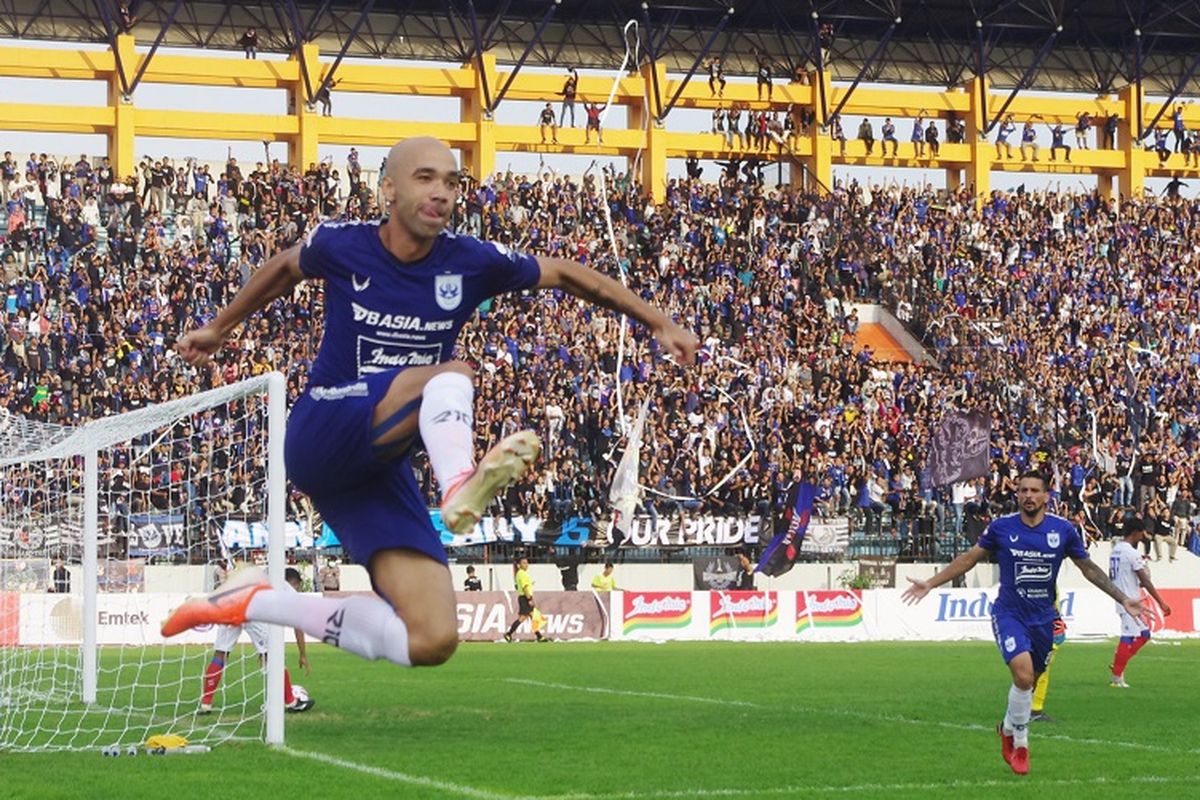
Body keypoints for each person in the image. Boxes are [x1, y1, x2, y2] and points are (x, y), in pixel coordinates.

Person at [162, 136, 696, 672]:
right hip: (322, 428)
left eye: (452, 182)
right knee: (453, 373)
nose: (441, 192)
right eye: (425, 178)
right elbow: (284, 267)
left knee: (432, 636)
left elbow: (563, 272)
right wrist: (218, 328)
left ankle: (253, 599)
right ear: (387, 190)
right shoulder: (342, 245)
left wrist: (659, 321)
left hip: (375, 467)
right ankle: (460, 484)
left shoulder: (469, 260)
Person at [902, 471, 1144, 776]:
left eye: (1034, 491)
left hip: (1043, 618)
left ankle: (1006, 726)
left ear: (1046, 496)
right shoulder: (1002, 528)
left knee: (1028, 681)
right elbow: (969, 559)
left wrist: (1123, 598)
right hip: (1009, 613)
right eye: (1022, 490)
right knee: (1024, 675)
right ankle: (1021, 741)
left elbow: (1089, 570)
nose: (1028, 495)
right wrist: (931, 583)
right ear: (1017, 495)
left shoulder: (1063, 530)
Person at [199, 567, 313, 714]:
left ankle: (206, 703)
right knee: (273, 656)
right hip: (250, 607)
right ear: (294, 582)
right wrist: (302, 654)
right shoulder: (287, 588)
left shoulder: (261, 576)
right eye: (298, 585)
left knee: (220, 653)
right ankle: (291, 701)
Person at [1109, 516, 1171, 688]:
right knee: (1127, 636)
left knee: (1144, 635)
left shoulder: (1116, 549)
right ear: (1136, 533)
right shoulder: (1131, 552)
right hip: (1128, 602)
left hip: (1125, 598)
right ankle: (1116, 677)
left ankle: (1119, 662)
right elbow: (1145, 580)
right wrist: (1161, 602)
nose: (1143, 536)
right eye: (1142, 532)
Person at [504, 556, 547, 642]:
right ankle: (509, 634)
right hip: (525, 598)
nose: (526, 565)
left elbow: (519, 586)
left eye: (527, 563)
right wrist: (529, 599)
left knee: (533, 617)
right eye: (524, 563)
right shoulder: (522, 574)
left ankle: (539, 636)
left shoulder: (520, 574)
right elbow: (525, 588)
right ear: (519, 565)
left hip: (523, 597)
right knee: (523, 618)